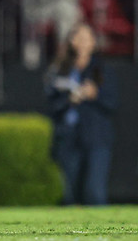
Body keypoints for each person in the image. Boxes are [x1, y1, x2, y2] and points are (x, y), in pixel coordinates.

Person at [44, 22, 118, 205]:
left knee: (94, 192)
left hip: (95, 137)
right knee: (68, 194)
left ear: (94, 42)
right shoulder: (61, 69)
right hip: (68, 136)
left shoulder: (102, 70)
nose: (83, 43)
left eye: (87, 38)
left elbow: (112, 103)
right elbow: (51, 102)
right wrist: (70, 99)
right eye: (78, 38)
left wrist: (95, 95)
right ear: (71, 41)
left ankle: (102, 232)